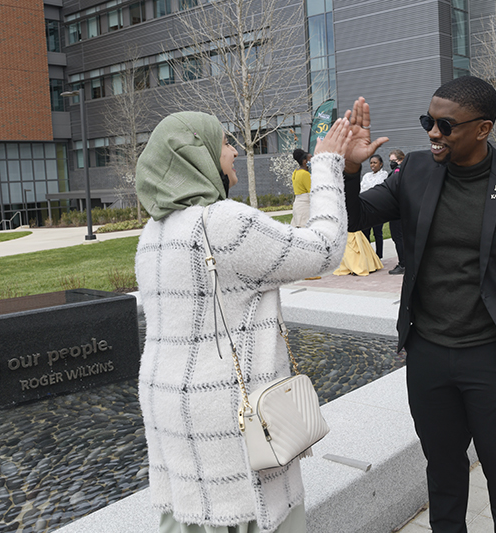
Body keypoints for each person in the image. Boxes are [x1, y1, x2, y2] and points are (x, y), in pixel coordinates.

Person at [341, 76, 496, 533]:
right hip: (428, 355)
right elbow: (355, 218)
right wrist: (350, 172)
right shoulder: (413, 171)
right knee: (443, 474)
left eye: (445, 125)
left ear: (483, 128)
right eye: (428, 121)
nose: (433, 132)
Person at [134, 111, 351, 532]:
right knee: (251, 516)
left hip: (169, 406)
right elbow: (324, 249)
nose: (234, 150)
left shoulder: (153, 233)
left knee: (191, 517)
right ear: (198, 155)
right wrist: (325, 164)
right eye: (225, 142)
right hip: (231, 415)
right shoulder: (224, 222)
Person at [360, 154, 388, 258]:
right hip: (366, 209)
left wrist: (369, 190)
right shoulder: (367, 175)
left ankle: (379, 256)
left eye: (375, 163)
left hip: (377, 209)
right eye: (371, 162)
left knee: (377, 233)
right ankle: (368, 256)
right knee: (365, 233)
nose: (372, 165)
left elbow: (377, 189)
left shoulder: (384, 175)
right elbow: (362, 190)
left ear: (381, 164)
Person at [387, 149, 406, 275]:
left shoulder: (397, 172)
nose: (393, 163)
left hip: (397, 210)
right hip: (404, 209)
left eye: (394, 161)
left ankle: (403, 264)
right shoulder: (408, 170)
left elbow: (392, 188)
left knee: (398, 238)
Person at [291, 148, 312, 227]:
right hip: (305, 208)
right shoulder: (305, 174)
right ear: (304, 162)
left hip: (297, 206)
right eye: (310, 159)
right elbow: (312, 192)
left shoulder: (295, 172)